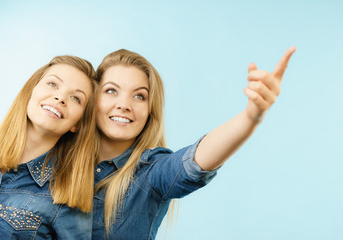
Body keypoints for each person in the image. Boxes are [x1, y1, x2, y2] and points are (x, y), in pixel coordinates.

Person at [93, 47, 296, 239]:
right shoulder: (63, 158)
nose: (124, 105)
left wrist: (251, 117)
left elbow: (195, 161)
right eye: (111, 91)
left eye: (139, 96)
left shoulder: (151, 172)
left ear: (149, 111)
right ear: (93, 99)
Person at [0, 55, 98, 239]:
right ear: (31, 91)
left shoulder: (67, 198)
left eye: (76, 98)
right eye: (53, 84)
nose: (60, 97)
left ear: (77, 124)